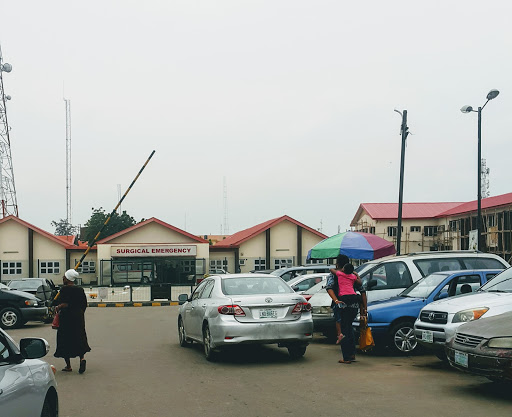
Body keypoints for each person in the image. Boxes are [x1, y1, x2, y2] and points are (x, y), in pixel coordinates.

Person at [326, 255, 366, 364]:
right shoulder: (352, 275)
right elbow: (362, 290)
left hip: (342, 304)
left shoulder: (335, 275)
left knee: (343, 330)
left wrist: (336, 300)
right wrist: (364, 310)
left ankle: (346, 357)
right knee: (349, 328)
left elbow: (329, 288)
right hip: (354, 305)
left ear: (338, 264)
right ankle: (352, 354)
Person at [53, 269, 91, 373]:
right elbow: (84, 304)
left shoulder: (64, 290)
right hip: (78, 318)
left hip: (66, 319)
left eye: (64, 277)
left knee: (64, 340)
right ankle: (82, 358)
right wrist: (79, 313)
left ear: (67, 278)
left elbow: (58, 302)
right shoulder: (80, 290)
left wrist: (60, 306)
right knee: (79, 337)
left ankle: (68, 366)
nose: (63, 278)